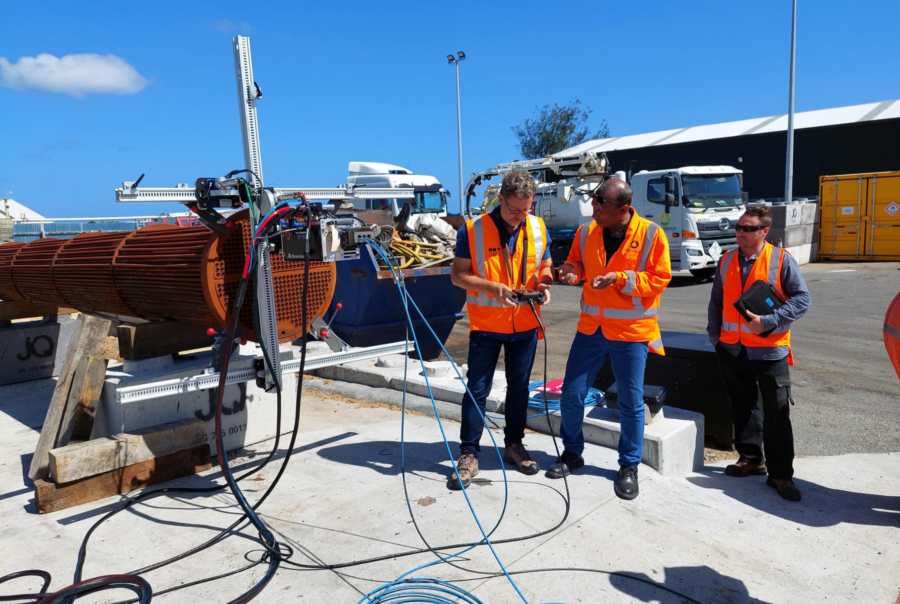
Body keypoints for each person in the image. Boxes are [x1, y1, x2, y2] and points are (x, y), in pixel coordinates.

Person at [549, 179, 671, 501]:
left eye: (601, 204)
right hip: (591, 330)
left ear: (623, 208)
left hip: (631, 333)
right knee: (572, 395)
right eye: (594, 202)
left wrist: (620, 278)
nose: (594, 209)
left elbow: (659, 279)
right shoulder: (586, 232)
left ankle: (628, 466)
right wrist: (572, 271)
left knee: (631, 403)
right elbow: (576, 262)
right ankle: (573, 453)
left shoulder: (650, 234)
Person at [448, 170, 554, 490]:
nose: (521, 216)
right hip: (486, 326)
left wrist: (545, 285)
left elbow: (545, 266)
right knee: (477, 390)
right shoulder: (473, 230)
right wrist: (493, 288)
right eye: (515, 209)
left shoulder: (536, 227)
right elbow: (458, 276)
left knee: (519, 388)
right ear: (501, 198)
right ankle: (469, 454)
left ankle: (514, 446)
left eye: (527, 209)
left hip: (525, 324)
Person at [707, 205, 811, 502]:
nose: (740, 232)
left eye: (748, 228)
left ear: (764, 231)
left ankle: (781, 475)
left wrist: (767, 321)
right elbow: (717, 300)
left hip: (769, 351)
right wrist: (714, 335)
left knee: (777, 414)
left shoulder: (781, 260)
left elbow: (802, 300)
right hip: (731, 348)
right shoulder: (726, 259)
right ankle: (751, 459)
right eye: (739, 227)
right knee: (742, 406)